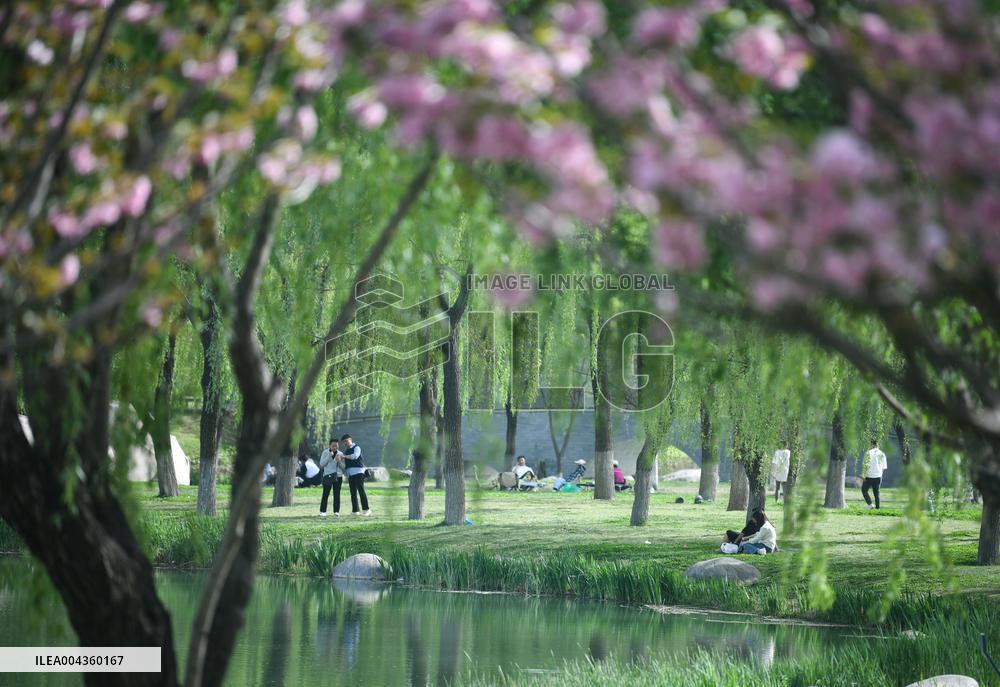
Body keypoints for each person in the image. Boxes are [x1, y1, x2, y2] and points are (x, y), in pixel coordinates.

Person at [341, 434, 371, 516]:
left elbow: (355, 456)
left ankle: (366, 510)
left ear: (350, 439)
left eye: (346, 441)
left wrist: (344, 456)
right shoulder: (346, 451)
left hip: (359, 473)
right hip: (350, 474)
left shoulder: (357, 447)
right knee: (353, 493)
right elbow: (346, 463)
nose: (345, 443)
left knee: (361, 491)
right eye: (344, 442)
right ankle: (355, 511)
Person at [318, 438, 344, 517]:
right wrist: (329, 457)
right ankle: (323, 511)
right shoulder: (325, 452)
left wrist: (339, 461)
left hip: (338, 476)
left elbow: (344, 467)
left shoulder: (341, 453)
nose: (335, 447)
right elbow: (322, 464)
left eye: (336, 446)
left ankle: (336, 511)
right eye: (333, 446)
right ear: (330, 445)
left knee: (337, 494)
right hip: (327, 476)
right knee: (325, 494)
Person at [862, 438, 888, 509]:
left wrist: (864, 476)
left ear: (871, 444)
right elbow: (883, 467)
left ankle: (870, 505)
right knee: (877, 494)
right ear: (877, 444)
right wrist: (881, 476)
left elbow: (866, 465)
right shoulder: (882, 453)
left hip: (869, 476)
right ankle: (878, 508)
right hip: (878, 476)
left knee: (864, 490)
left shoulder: (868, 453)